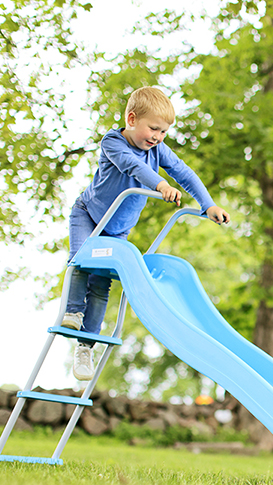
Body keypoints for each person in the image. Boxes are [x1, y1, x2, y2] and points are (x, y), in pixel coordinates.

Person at [62, 86, 230, 380]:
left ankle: (85, 348)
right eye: (153, 128)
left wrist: (209, 204)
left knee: (101, 285)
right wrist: (160, 186)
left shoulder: (158, 150)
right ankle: (74, 312)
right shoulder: (112, 142)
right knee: (81, 260)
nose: (157, 137)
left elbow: (184, 172)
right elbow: (132, 166)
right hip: (88, 215)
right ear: (131, 119)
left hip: (116, 232)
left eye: (163, 132)